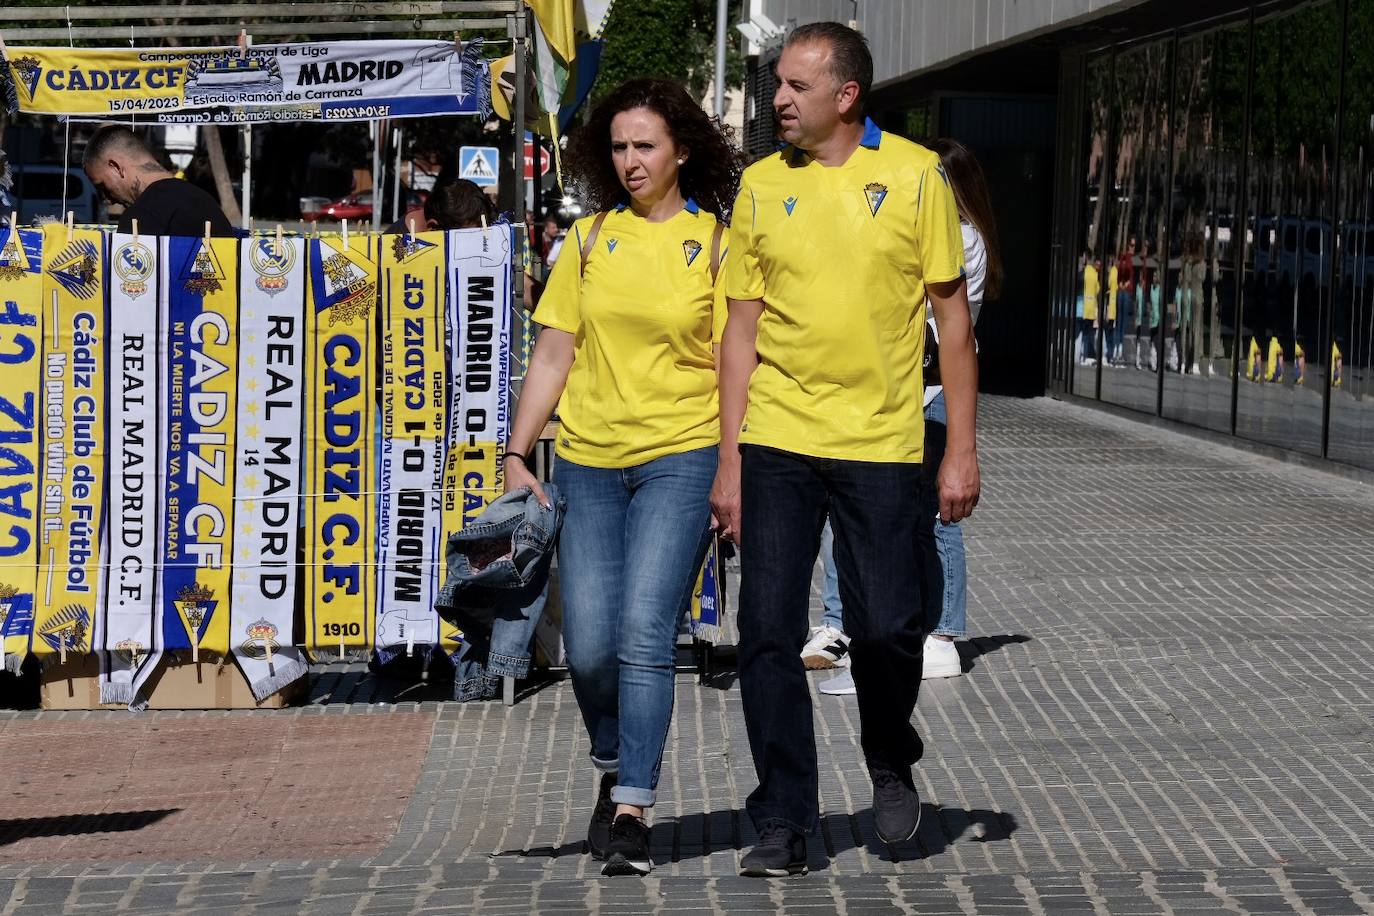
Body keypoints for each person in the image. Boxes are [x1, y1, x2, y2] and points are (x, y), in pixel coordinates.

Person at [712, 22, 980, 876]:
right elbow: (739, 331)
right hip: (779, 438)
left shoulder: (915, 175)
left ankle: (890, 752)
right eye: (778, 85)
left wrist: (961, 449)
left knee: (890, 628)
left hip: (882, 440)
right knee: (766, 629)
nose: (779, 101)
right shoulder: (761, 185)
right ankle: (784, 819)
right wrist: (729, 458)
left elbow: (953, 325)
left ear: (846, 94)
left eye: (796, 86)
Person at [501, 77, 744, 877]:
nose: (631, 160)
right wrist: (516, 451)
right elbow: (553, 353)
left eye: (646, 145)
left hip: (683, 454)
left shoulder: (717, 244)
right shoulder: (589, 239)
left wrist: (733, 465)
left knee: (644, 631)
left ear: (682, 150)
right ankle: (614, 759)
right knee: (591, 647)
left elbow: (735, 364)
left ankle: (635, 804)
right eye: (618, 147)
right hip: (588, 460)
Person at [819, 136, 1002, 696]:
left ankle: (942, 633)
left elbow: (909, 299)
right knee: (876, 512)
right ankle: (858, 627)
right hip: (896, 388)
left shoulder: (963, 240)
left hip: (932, 388)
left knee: (936, 516)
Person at [82, 125, 233, 237]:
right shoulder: (206, 202)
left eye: (102, 186)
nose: (109, 200)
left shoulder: (140, 217)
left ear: (116, 167)